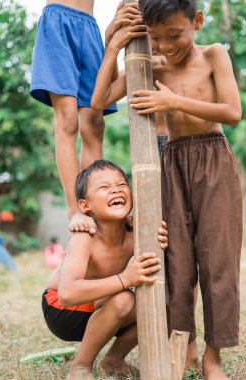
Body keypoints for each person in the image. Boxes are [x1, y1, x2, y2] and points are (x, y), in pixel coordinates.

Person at [91, 1, 242, 379]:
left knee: (217, 260)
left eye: (174, 35)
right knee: (175, 261)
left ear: (198, 20)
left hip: (214, 159)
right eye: (155, 37)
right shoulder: (147, 64)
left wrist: (173, 101)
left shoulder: (213, 55)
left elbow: (233, 111)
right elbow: (98, 100)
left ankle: (213, 357)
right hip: (170, 163)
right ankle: (183, 347)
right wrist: (113, 46)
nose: (165, 46)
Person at [42, 159, 168, 380]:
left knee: (162, 303)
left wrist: (162, 237)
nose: (115, 190)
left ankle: (114, 360)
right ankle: (80, 368)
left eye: (121, 184)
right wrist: (126, 278)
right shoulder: (85, 236)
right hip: (62, 310)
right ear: (85, 206)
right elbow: (67, 294)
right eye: (104, 187)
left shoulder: (134, 231)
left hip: (101, 303)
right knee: (124, 299)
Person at [30, 1, 144, 234]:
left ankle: (97, 207)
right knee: (68, 120)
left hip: (90, 26)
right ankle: (75, 209)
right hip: (59, 21)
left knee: (94, 124)